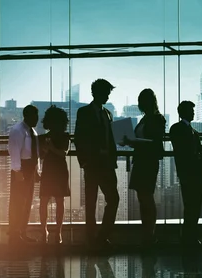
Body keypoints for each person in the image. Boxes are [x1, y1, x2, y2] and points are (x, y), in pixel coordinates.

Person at [74, 78, 119, 246]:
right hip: (92, 164)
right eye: (105, 94)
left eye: (108, 94)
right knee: (91, 202)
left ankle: (101, 236)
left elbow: (111, 138)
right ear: (95, 93)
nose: (107, 97)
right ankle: (92, 238)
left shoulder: (108, 113)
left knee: (113, 199)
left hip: (107, 164)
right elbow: (79, 137)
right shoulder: (84, 112)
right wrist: (84, 161)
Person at [123, 88, 166, 244]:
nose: (141, 105)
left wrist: (133, 141)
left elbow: (154, 141)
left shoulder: (157, 119)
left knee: (147, 197)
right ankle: (146, 232)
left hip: (148, 161)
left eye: (143, 101)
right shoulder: (144, 119)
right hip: (140, 160)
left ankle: (150, 234)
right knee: (142, 197)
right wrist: (129, 141)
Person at [169, 101, 202, 244]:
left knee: (194, 206)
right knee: (192, 205)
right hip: (189, 173)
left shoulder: (189, 130)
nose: (193, 113)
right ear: (183, 112)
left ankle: (190, 237)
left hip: (193, 174)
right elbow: (184, 152)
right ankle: (189, 238)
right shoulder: (178, 129)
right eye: (191, 110)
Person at [38, 106, 71, 244]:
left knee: (57, 200)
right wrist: (46, 149)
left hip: (58, 170)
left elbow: (64, 153)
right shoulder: (42, 138)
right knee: (45, 200)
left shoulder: (65, 136)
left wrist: (50, 148)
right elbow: (40, 155)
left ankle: (57, 232)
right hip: (50, 169)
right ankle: (44, 231)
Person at [8, 105, 40, 244]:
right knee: (17, 203)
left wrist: (37, 171)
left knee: (27, 203)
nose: (36, 119)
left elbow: (36, 153)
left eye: (37, 117)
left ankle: (22, 232)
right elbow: (14, 151)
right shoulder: (17, 130)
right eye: (34, 117)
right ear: (26, 116)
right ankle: (14, 234)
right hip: (21, 168)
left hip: (30, 169)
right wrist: (17, 171)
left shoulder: (33, 132)